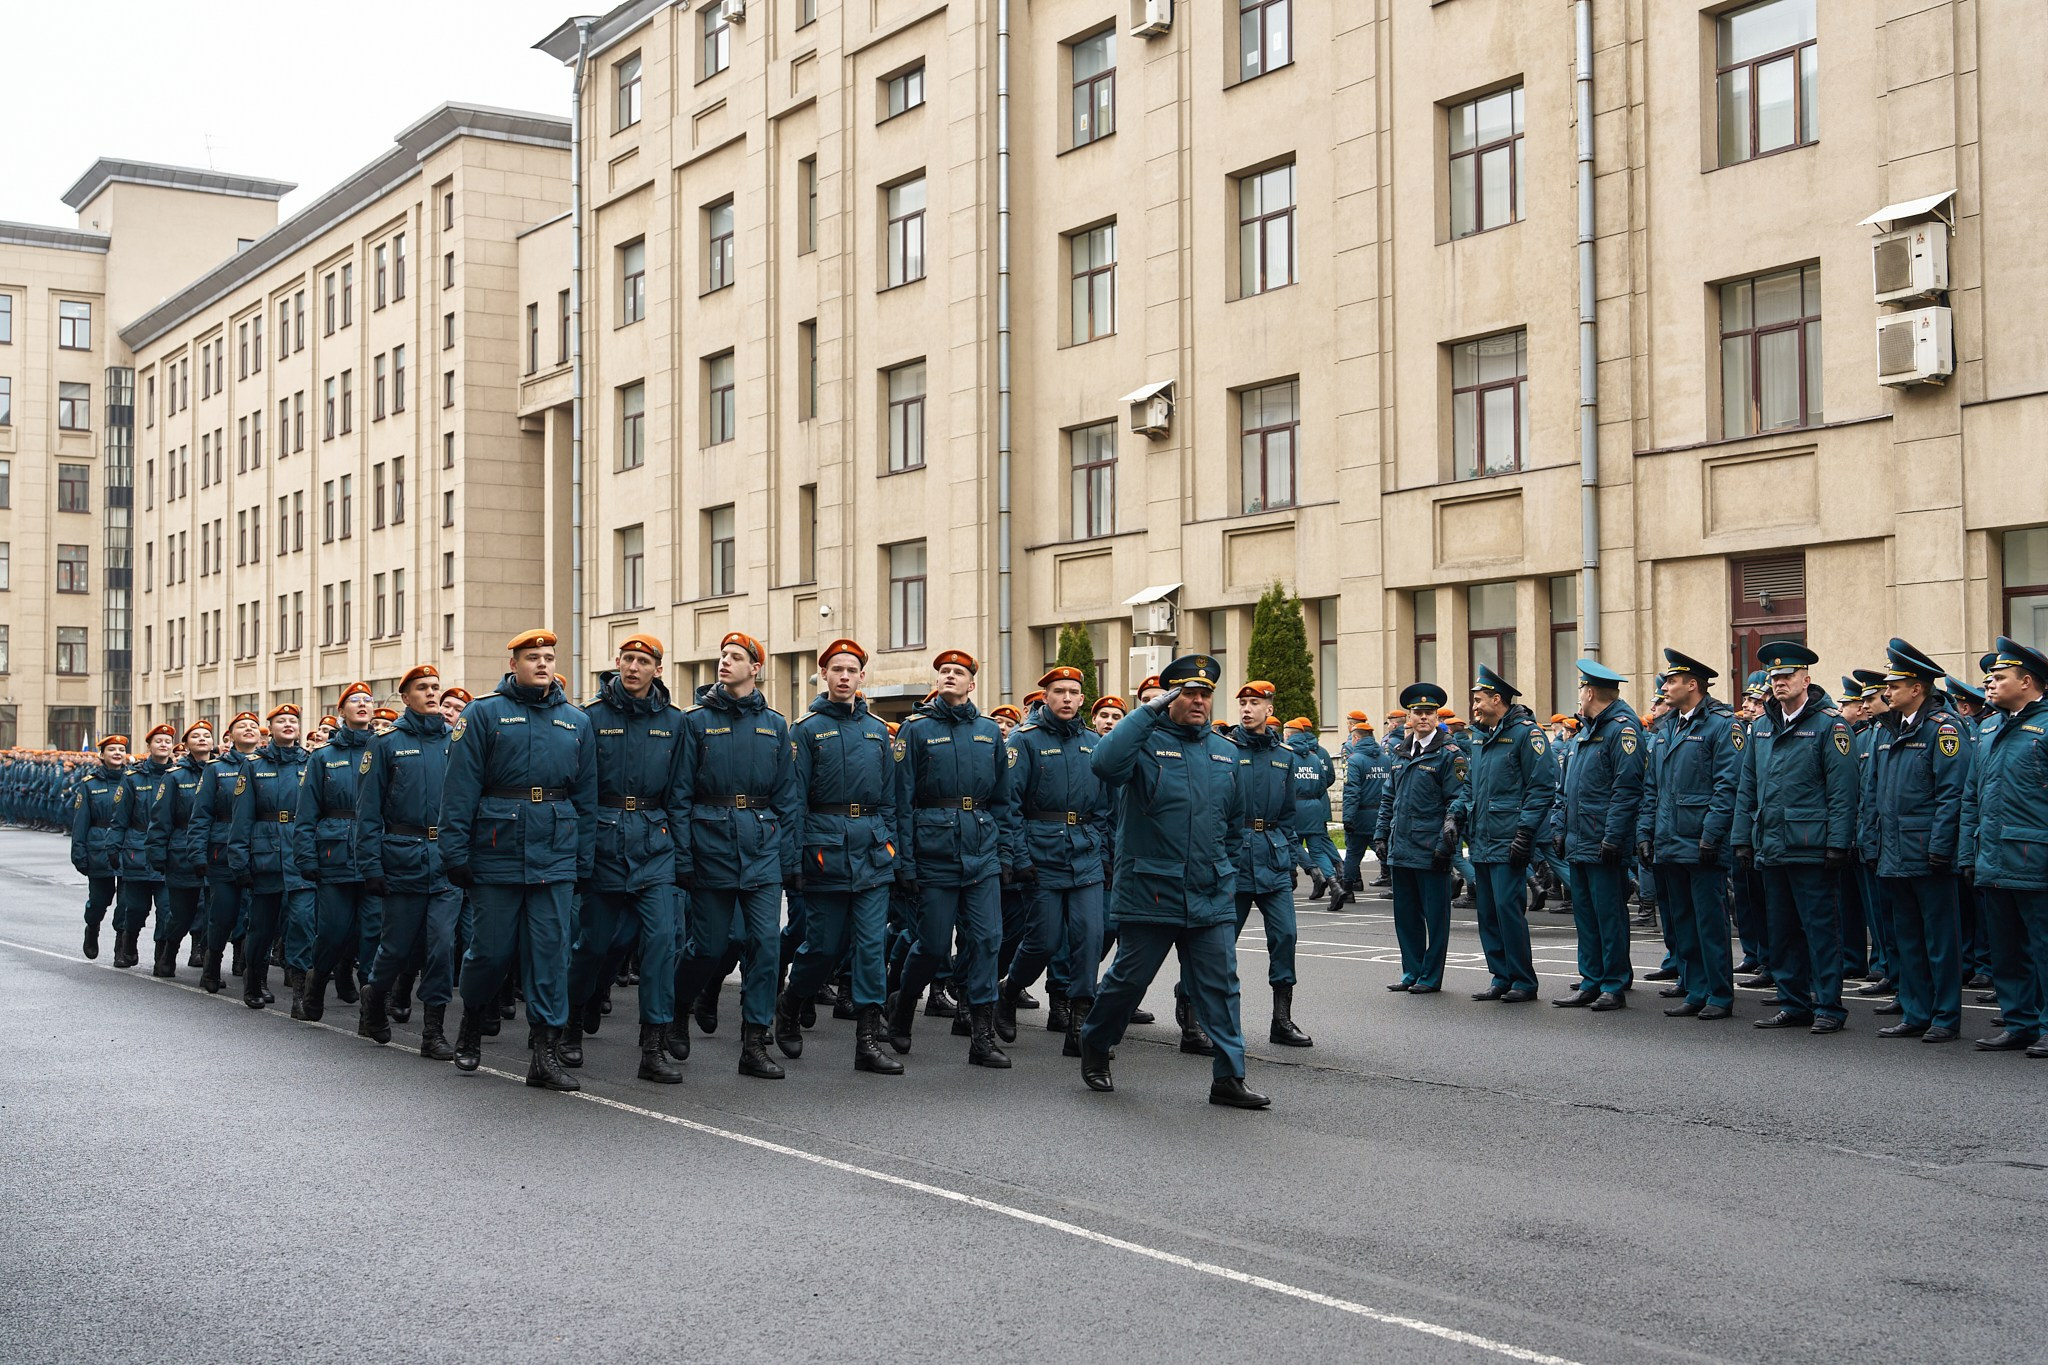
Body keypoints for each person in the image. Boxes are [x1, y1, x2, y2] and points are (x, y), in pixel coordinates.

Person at [1079, 654, 1267, 1109]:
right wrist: (1145, 711)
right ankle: (1096, 1045)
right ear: (1171, 698)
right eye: (1189, 693)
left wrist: (1225, 871)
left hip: (1209, 891)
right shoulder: (1143, 742)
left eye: (1206, 693)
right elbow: (1103, 764)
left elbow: (1234, 823)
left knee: (1222, 986)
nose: (1199, 700)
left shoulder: (1224, 751)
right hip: (1151, 890)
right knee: (1128, 981)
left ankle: (1229, 1076)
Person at [441, 629, 598, 1089]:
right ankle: (472, 1021)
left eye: (549, 657)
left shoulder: (576, 721)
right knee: (489, 952)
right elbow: (459, 789)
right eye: (533, 657)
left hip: (554, 853)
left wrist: (583, 860)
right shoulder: (483, 714)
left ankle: (544, 1055)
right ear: (514, 664)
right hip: (497, 849)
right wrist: (454, 852)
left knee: (551, 955)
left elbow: (585, 796)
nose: (543, 664)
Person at [550, 637, 687, 1082]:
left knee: (662, 944)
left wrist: (681, 855)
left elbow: (680, 793)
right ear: (617, 664)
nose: (633, 667)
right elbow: (580, 791)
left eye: (643, 661)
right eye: (627, 659)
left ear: (657, 670)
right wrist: (579, 854)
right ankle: (569, 1025)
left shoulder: (674, 722)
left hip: (655, 843)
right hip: (605, 842)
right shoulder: (591, 718)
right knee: (592, 945)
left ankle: (653, 1046)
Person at [671, 631, 802, 1079]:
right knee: (709, 946)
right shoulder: (696, 722)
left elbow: (788, 797)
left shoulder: (776, 724)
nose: (725, 662)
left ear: (756, 668)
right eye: (722, 656)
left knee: (764, 945)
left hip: (762, 847)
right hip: (710, 844)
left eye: (735, 657)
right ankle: (678, 1006)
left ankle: (753, 1043)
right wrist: (683, 856)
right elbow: (681, 793)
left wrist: (790, 859)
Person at [883, 648, 1019, 1067]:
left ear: (972, 683)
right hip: (934, 851)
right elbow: (900, 801)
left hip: (981, 851)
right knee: (934, 944)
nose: (950, 676)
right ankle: (903, 1005)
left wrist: (1007, 851)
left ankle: (981, 1036)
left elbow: (1003, 799)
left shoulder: (988, 731)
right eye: (944, 671)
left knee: (987, 940)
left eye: (958, 672)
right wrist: (903, 863)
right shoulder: (916, 729)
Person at [779, 639, 904, 1074]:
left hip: (871, 854)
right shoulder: (806, 730)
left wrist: (892, 848)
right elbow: (794, 800)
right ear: (824, 676)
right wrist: (792, 861)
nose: (845, 676)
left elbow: (889, 798)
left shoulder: (875, 729)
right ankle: (792, 1002)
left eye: (852, 669)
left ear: (862, 677)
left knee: (871, 949)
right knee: (823, 949)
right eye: (837, 669)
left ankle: (867, 1042)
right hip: (824, 852)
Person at [1734, 641, 1857, 1034]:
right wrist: (1742, 837)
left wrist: (1839, 843)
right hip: (1771, 845)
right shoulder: (1762, 726)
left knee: (1820, 931)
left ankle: (1828, 1007)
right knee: (1782, 930)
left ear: (1807, 679)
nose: (1780, 682)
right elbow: (1747, 786)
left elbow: (1842, 791)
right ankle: (1793, 1003)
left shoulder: (1829, 725)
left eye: (1787, 675)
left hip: (1812, 846)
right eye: (1774, 677)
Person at [996, 666, 1111, 1057]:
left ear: (1082, 699)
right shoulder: (1024, 741)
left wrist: (1105, 854)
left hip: (1086, 854)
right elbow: (1009, 806)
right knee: (1043, 942)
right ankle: (1008, 991)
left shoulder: (1095, 743)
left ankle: (1080, 1026)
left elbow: (1105, 808)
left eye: (1073, 692)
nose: (1066, 698)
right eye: (1058, 691)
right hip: (1041, 854)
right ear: (1044, 696)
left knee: (1089, 938)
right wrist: (1019, 856)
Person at [354, 665, 464, 1062]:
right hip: (401, 856)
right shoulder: (385, 744)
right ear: (406, 697)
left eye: (436, 687)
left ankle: (432, 1031)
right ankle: (375, 995)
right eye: (422, 688)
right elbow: (367, 812)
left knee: (441, 947)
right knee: (396, 948)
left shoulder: (457, 741)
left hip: (446, 861)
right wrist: (370, 866)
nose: (432, 693)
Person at [1867, 639, 1967, 1044]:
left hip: (1928, 853)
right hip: (1895, 852)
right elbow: (1877, 795)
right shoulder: (1891, 730)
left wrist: (1941, 848)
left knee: (1939, 941)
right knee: (1906, 938)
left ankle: (1944, 1016)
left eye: (1894, 685)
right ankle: (1915, 1010)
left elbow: (1951, 794)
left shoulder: (1943, 729)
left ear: (1918, 688)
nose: (1886, 692)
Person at [1636, 650, 1740, 1019]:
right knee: (1682, 920)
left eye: (1671, 681)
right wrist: (1645, 833)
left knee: (1709, 922)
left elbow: (1728, 786)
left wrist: (1711, 835)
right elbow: (1653, 789)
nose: (1664, 687)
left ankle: (1718, 994)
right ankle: (1695, 989)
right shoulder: (1668, 730)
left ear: (1692, 685)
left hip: (1700, 842)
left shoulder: (1721, 725)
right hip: (1668, 840)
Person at [1959, 637, 2048, 1054]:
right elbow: (1971, 796)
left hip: (2036, 856)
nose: (1989, 685)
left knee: (2043, 947)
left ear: (2027, 681)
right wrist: (1967, 853)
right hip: (1993, 855)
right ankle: (2020, 1022)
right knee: (2007, 949)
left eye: (1999, 678)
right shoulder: (1988, 727)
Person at [1460, 665, 1557, 1004]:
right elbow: (1471, 786)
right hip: (1483, 838)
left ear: (1496, 699)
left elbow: (1543, 785)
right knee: (1487, 912)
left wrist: (1526, 832)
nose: (1473, 707)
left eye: (1478, 700)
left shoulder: (1525, 734)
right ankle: (1500, 976)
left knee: (1508, 910)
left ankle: (1523, 980)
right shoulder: (1480, 736)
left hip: (1509, 838)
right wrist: (1455, 816)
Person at [1555, 659, 1644, 1011]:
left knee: (1609, 917)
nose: (1578, 696)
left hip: (1603, 841)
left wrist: (1613, 837)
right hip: (1580, 839)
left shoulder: (1622, 731)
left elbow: (1627, 790)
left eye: (1580, 690)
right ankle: (1591, 980)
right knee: (1587, 915)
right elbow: (1566, 790)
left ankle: (1613, 983)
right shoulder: (1585, 733)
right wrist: (1560, 829)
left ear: (1590, 692)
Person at [288, 681, 377, 1021]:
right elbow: (306, 812)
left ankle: (371, 1010)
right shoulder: (324, 757)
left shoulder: (383, 748)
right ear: (341, 711)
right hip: (334, 855)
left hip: (374, 855)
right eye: (355, 700)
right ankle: (316, 981)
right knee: (334, 931)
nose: (363, 705)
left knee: (373, 933)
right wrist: (306, 858)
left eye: (368, 700)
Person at [1375, 684, 1465, 994]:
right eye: (1417, 712)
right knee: (1406, 915)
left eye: (1429, 712)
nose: (1423, 717)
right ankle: (1411, 971)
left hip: (1431, 848)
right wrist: (1380, 834)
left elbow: (1458, 799)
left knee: (1436, 919)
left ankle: (1430, 976)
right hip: (1401, 847)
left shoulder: (1449, 754)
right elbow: (1389, 798)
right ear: (1409, 717)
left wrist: (1446, 842)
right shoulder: (1400, 751)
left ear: (1437, 716)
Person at [226, 705, 313, 1010]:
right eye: (281, 721)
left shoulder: (311, 761)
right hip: (266, 856)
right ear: (270, 728)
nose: (288, 725)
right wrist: (239, 860)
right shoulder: (253, 765)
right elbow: (241, 816)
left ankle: (301, 994)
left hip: (301, 856)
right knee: (262, 927)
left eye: (293, 720)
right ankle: (254, 981)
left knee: (302, 922)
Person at [189, 713, 262, 993]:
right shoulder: (215, 769)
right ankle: (211, 966)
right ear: (229, 736)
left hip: (259, 850)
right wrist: (197, 854)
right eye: (241, 726)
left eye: (253, 726)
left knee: (257, 914)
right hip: (223, 851)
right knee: (223, 914)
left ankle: (249, 969)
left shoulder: (267, 765)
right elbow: (201, 815)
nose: (248, 729)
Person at [150, 721, 217, 979]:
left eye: (206, 735)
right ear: (186, 744)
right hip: (182, 853)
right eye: (196, 736)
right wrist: (157, 854)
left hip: (215, 851)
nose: (202, 739)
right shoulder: (174, 776)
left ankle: (209, 963)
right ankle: (169, 952)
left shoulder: (223, 771)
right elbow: (161, 819)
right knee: (181, 914)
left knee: (215, 914)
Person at [114, 725, 180, 969]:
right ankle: (128, 942)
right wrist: (114, 849)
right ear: (149, 746)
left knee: (166, 909)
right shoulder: (133, 779)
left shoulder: (178, 775)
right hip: (137, 850)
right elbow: (120, 818)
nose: (163, 744)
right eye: (158, 741)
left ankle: (162, 957)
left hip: (167, 851)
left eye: (167, 741)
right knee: (135, 908)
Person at [70, 735, 131, 962]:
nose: (117, 753)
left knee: (126, 904)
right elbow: (80, 822)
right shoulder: (90, 784)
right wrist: (79, 854)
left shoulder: (133, 779)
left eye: (121, 749)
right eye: (112, 749)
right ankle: (92, 928)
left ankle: (121, 947)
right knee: (99, 900)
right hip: (100, 849)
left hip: (127, 847)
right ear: (102, 755)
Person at [1338, 714, 1386, 902]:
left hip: (1360, 814)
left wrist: (1347, 818)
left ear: (1356, 738)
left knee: (1353, 853)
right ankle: (1398, 883)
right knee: (1385, 850)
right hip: (1381, 814)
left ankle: (1348, 889)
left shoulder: (1354, 760)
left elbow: (1352, 791)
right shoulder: (1385, 759)